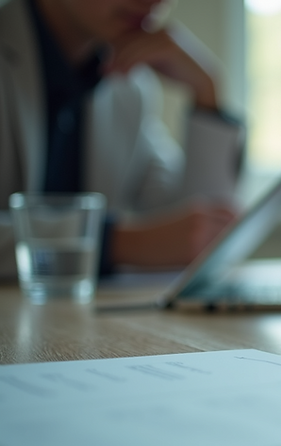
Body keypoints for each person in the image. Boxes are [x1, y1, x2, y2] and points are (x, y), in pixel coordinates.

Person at [0, 0, 243, 278]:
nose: (156, 2)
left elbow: (198, 236)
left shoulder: (128, 83)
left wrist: (206, 91)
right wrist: (117, 244)